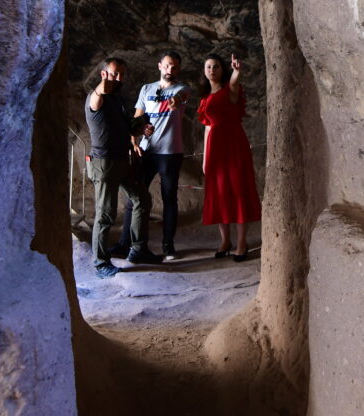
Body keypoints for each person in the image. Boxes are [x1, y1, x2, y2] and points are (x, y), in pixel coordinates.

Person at [85, 57, 159, 278]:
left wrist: (142, 127)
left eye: (122, 74)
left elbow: (127, 126)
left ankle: (138, 249)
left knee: (141, 199)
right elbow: (96, 97)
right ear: (103, 74)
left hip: (121, 160)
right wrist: (100, 88)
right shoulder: (96, 97)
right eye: (115, 73)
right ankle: (100, 263)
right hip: (104, 163)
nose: (119, 78)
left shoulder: (117, 99)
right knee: (105, 214)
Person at [122, 51, 193, 259]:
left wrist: (175, 101)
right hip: (146, 150)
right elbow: (137, 117)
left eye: (176, 67)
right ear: (160, 66)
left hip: (170, 152)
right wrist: (139, 132)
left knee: (169, 198)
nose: (171, 70)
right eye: (168, 66)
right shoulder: (147, 89)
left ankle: (168, 245)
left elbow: (182, 97)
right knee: (135, 196)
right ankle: (127, 242)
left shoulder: (181, 89)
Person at [198, 53, 261, 260]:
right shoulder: (205, 98)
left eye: (216, 66)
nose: (212, 70)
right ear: (204, 71)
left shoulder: (229, 91)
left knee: (238, 190)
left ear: (222, 70)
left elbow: (235, 83)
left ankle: (242, 243)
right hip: (215, 147)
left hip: (233, 144)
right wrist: (206, 159)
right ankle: (225, 241)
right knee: (219, 193)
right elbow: (207, 129)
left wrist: (236, 71)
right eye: (208, 67)